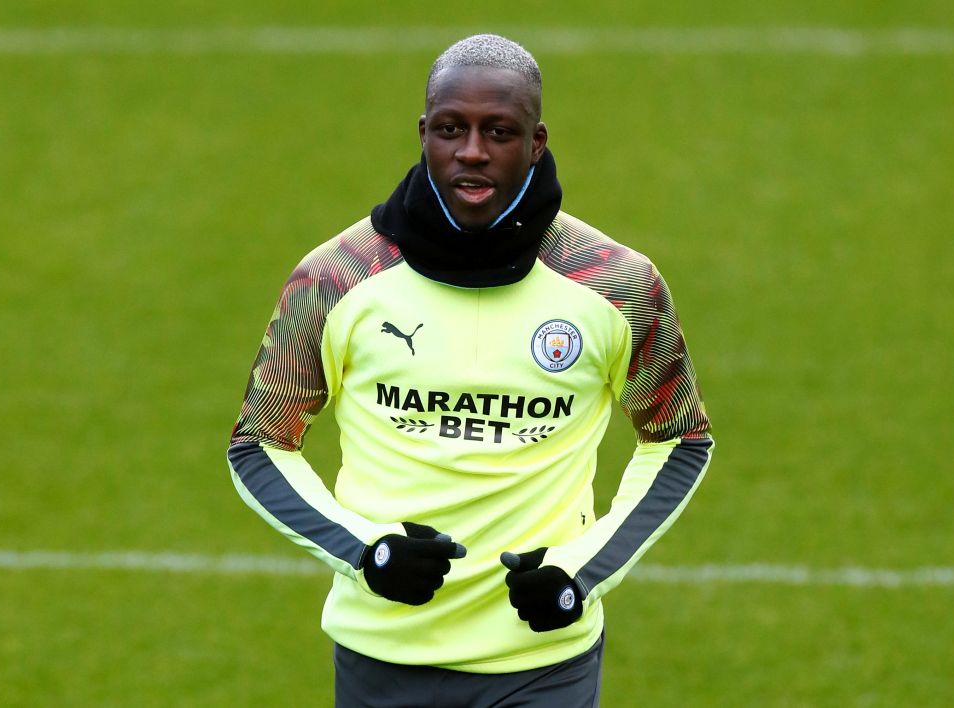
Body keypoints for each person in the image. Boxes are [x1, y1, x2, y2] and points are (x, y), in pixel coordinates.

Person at [227, 33, 713, 707]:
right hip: (383, 656)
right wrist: (368, 553)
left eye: (500, 131)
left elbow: (680, 438)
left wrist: (582, 570)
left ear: (536, 141)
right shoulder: (336, 279)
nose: (473, 151)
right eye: (452, 129)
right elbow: (258, 444)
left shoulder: (616, 285)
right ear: (424, 133)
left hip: (545, 661)